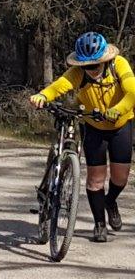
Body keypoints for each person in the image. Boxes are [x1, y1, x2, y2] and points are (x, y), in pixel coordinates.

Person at [30, 31, 135, 243]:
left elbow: (132, 91)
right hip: (94, 127)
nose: (91, 70)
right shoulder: (79, 72)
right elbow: (61, 85)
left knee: (120, 178)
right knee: (96, 179)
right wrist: (42, 95)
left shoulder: (118, 64)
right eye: (87, 66)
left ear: (104, 60)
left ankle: (110, 202)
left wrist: (118, 109)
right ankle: (99, 224)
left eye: (95, 66)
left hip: (121, 125)